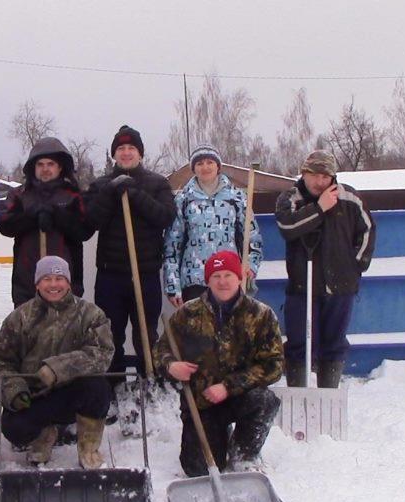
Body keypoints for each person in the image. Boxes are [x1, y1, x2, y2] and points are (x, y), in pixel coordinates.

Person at [154, 250, 284, 476]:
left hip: (241, 396)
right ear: (208, 280)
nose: (222, 282)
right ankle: (220, 436)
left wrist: (228, 387)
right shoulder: (187, 314)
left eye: (228, 275)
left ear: (239, 278)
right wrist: (171, 366)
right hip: (202, 402)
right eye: (216, 276)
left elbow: (274, 365)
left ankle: (244, 452)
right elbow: (160, 349)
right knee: (197, 470)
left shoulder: (261, 315)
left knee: (265, 400)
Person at [0, 256, 114, 469]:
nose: (53, 285)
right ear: (37, 283)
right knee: (14, 428)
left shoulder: (90, 314)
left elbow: (102, 353)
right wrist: (15, 391)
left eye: (59, 278)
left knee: (98, 388)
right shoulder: (20, 317)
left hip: (73, 393)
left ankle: (89, 448)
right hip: (36, 396)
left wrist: (58, 368)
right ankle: (43, 437)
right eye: (47, 279)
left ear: (68, 282)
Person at [275, 150, 376, 388]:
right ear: (304, 173)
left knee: (334, 343)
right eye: (315, 176)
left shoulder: (349, 198)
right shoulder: (290, 198)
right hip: (302, 286)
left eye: (325, 177)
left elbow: (368, 230)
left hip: (341, 286)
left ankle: (328, 394)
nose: (320, 182)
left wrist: (356, 266)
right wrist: (319, 208)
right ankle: (299, 393)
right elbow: (287, 227)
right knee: (299, 343)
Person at [84, 125, 176, 382]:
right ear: (114, 154)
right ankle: (113, 384)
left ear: (140, 153)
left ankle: (149, 379)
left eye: (131, 148)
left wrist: (135, 194)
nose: (126, 153)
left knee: (146, 332)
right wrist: (111, 193)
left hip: (144, 274)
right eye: (121, 148)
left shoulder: (157, 183)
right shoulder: (101, 185)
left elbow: (165, 216)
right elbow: (90, 221)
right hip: (110, 274)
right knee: (110, 334)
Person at [163, 144, 263, 306]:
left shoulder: (236, 198)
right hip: (194, 279)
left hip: (228, 278)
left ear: (218, 166)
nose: (205, 167)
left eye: (210, 162)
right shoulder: (183, 200)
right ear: (193, 168)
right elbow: (172, 246)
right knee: (198, 330)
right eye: (200, 163)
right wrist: (172, 284)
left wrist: (250, 267)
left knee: (229, 329)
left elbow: (253, 239)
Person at [0, 136, 91, 307]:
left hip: (65, 282)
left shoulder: (73, 195)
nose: (45, 169)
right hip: (27, 281)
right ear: (33, 167)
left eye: (50, 164)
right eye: (40, 165)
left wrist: (57, 216)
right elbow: (5, 225)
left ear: (60, 167)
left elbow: (84, 230)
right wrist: (30, 217)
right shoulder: (20, 195)